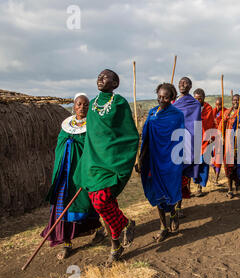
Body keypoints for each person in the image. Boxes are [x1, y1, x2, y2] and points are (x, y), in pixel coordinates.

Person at [74, 69, 138, 264]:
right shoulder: (92, 104)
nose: (100, 78)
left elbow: (129, 134)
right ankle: (117, 242)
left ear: (116, 83)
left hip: (111, 162)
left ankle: (123, 228)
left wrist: (122, 157)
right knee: (103, 206)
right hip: (94, 163)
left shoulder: (119, 103)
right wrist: (85, 162)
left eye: (105, 76)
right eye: (99, 76)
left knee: (102, 202)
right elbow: (92, 137)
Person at [41, 93, 105, 260]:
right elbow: (60, 147)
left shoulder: (92, 125)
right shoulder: (66, 126)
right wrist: (69, 144)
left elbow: (95, 148)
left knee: (86, 204)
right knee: (63, 207)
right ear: (74, 106)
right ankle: (67, 244)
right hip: (65, 176)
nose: (82, 107)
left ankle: (98, 230)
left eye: (85, 105)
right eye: (79, 104)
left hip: (82, 174)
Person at [137, 83, 184, 242]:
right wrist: (141, 158)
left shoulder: (177, 115)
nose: (162, 99)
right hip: (153, 160)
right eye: (159, 96)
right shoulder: (151, 113)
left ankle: (173, 213)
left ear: (172, 98)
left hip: (171, 160)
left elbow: (180, 138)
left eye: (165, 97)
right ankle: (163, 226)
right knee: (157, 192)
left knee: (171, 190)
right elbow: (145, 138)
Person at [172, 77, 206, 216]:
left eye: (185, 82)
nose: (182, 84)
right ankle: (172, 206)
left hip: (188, 143)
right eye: (180, 82)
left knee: (183, 178)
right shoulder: (173, 103)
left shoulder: (194, 104)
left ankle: (178, 207)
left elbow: (194, 125)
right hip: (173, 143)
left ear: (190, 85)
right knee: (173, 177)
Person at [193, 88, 216, 196]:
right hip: (194, 140)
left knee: (203, 164)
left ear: (203, 98)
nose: (197, 101)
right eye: (195, 99)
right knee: (194, 163)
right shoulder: (191, 108)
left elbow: (211, 123)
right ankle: (192, 183)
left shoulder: (208, 109)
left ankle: (199, 187)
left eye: (200, 99)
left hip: (206, 141)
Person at [218, 94, 240, 198]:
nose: (235, 102)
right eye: (234, 100)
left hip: (239, 143)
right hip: (228, 144)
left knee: (238, 167)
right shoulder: (227, 113)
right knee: (228, 167)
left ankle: (237, 186)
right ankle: (230, 189)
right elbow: (221, 125)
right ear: (232, 101)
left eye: (237, 100)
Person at [212, 97, 224, 185]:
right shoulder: (213, 112)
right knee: (212, 159)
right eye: (216, 104)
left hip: (221, 138)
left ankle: (216, 178)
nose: (218, 106)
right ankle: (216, 173)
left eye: (219, 104)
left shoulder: (225, 112)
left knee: (218, 159)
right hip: (212, 137)